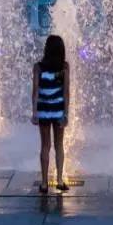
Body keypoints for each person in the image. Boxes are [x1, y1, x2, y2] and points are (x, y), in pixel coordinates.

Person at [32, 35, 70, 194]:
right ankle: (60, 180)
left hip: (44, 110)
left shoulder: (38, 67)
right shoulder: (64, 67)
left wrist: (34, 112)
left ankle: (44, 183)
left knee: (45, 146)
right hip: (58, 109)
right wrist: (66, 113)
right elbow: (66, 92)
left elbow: (35, 91)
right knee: (59, 145)